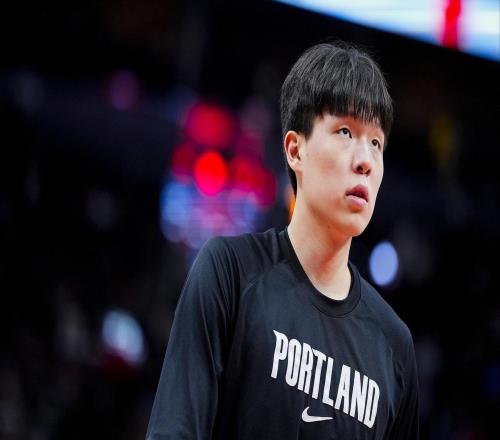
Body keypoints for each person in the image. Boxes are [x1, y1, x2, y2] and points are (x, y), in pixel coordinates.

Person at [146, 41, 419, 439]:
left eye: (376, 142)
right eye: (346, 131)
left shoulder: (394, 345)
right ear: (295, 150)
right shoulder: (229, 274)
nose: (365, 160)